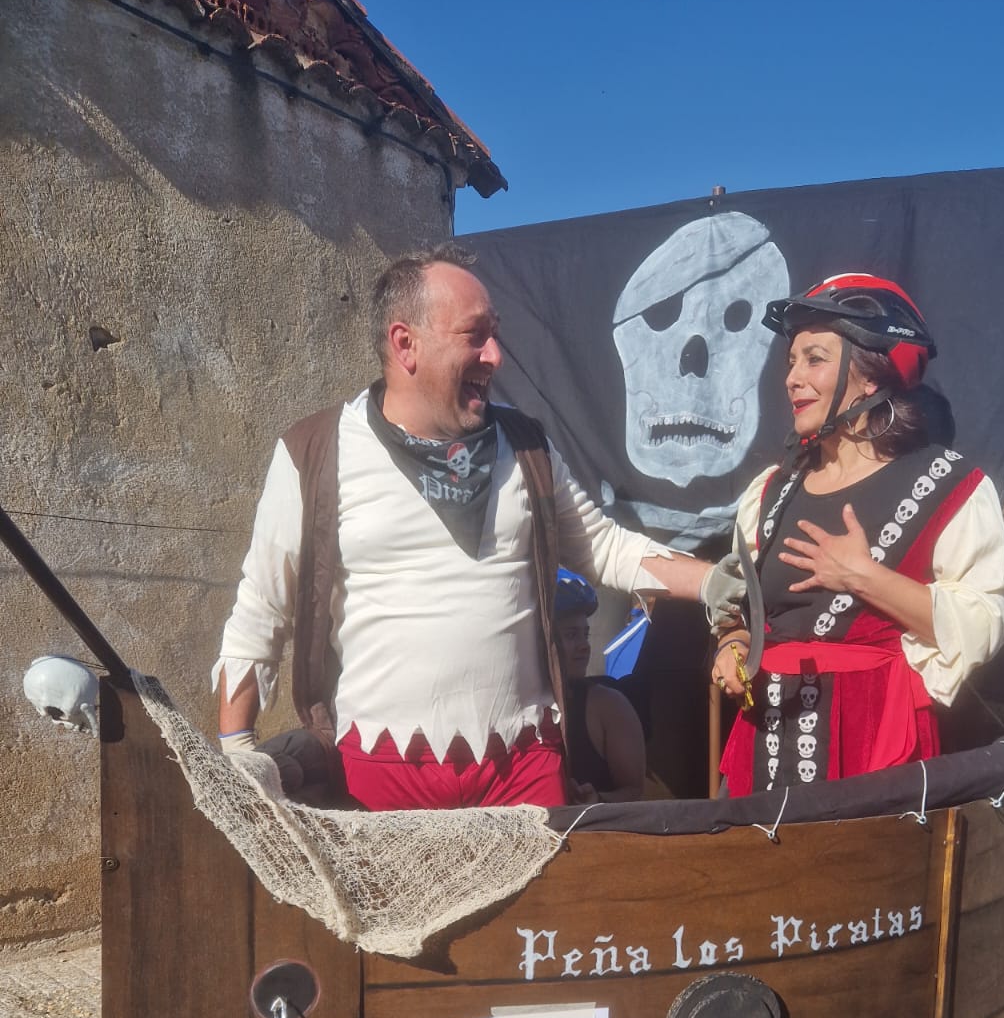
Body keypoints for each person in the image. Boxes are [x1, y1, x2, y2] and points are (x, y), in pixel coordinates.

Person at [215, 245, 739, 811]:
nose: (495, 356)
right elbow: (261, 610)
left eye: (495, 335)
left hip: (524, 770)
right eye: (475, 335)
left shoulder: (527, 446)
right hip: (379, 776)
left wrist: (713, 582)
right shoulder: (316, 452)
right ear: (405, 344)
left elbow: (605, 546)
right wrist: (237, 753)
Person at [710, 272, 1004, 793]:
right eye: (791, 362)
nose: (792, 378)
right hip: (763, 742)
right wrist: (733, 643)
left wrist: (863, 576)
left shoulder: (950, 487)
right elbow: (745, 612)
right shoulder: (770, 491)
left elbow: (984, 623)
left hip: (873, 744)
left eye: (815, 359)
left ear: (870, 377)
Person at [552, 570, 646, 803]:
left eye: (585, 634)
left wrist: (598, 799)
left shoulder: (608, 706)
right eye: (571, 635)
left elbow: (633, 791)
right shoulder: (512, 706)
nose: (585, 646)